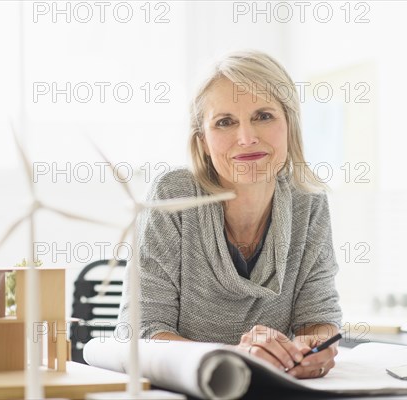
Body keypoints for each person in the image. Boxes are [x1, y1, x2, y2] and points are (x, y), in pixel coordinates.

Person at [118, 50, 342, 379]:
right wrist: (235, 357)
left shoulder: (307, 201)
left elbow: (319, 317)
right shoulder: (174, 195)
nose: (247, 138)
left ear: (289, 124)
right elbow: (140, 332)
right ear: (203, 141)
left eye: (263, 115)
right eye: (225, 122)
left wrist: (316, 350)